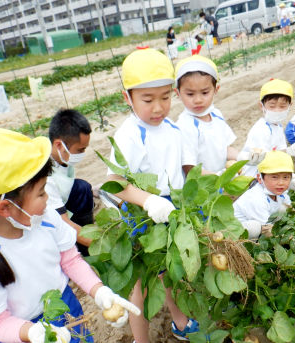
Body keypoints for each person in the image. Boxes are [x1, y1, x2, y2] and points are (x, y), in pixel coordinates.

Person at [0, 123, 140, 343]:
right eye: (41, 194)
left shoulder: (46, 219)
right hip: (23, 331)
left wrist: (100, 291)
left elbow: (71, 260)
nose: (47, 199)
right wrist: (33, 333)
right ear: (5, 208)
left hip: (66, 308)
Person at [107, 48, 199, 342]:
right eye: (147, 100)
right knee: (142, 281)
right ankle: (141, 339)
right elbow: (115, 182)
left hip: (169, 209)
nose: (158, 107)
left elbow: (184, 171)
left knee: (171, 271)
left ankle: (181, 322)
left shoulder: (172, 128)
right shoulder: (130, 134)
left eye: (164, 97)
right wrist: (147, 200)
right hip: (140, 213)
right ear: (128, 98)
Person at [174, 54, 238, 175]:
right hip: (203, 187)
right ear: (178, 93)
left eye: (204, 92)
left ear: (216, 89)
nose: (198, 100)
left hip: (220, 180)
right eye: (190, 94)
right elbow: (190, 169)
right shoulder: (184, 126)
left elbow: (225, 149)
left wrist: (243, 157)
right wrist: (218, 178)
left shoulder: (216, 115)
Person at [237, 78, 295, 191]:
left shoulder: (277, 126)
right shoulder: (261, 129)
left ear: (290, 105)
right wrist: (288, 177)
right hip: (255, 177)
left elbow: (279, 152)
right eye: (272, 106)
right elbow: (265, 160)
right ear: (261, 106)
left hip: (271, 174)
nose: (277, 110)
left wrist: (290, 151)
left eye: (282, 106)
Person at [46, 109, 93, 257]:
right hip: (41, 219)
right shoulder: (45, 178)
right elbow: (63, 222)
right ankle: (82, 252)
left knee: (83, 189)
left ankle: (85, 238)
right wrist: (100, 245)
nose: (82, 154)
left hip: (57, 203)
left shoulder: (59, 155)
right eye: (80, 150)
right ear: (59, 145)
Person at [233, 151, 294, 240]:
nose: (281, 183)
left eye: (285, 177)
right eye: (274, 177)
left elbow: (290, 209)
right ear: (260, 178)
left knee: (284, 209)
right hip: (235, 234)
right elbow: (267, 230)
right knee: (255, 228)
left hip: (265, 224)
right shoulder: (256, 198)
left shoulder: (280, 193)